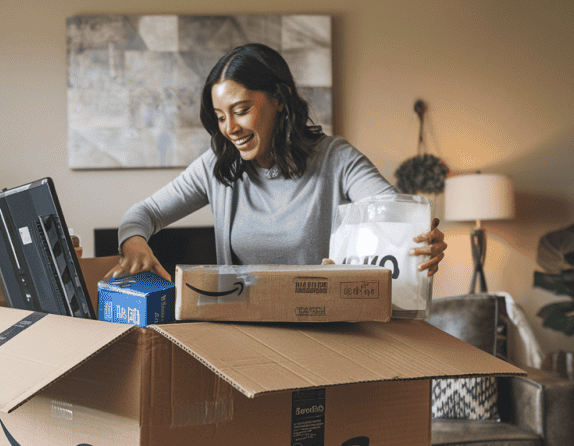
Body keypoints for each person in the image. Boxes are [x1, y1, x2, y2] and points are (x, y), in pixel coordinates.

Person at [107, 43, 446, 281]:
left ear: (280, 100)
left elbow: (394, 214)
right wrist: (134, 244)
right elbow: (143, 214)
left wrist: (422, 239)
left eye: (241, 110)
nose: (230, 128)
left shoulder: (336, 159)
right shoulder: (217, 166)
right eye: (221, 117)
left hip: (325, 332)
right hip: (244, 332)